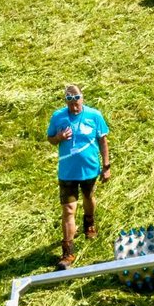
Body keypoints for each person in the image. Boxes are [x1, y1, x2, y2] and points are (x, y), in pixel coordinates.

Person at [46, 84, 111, 270]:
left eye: (77, 102)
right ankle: (68, 252)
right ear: (66, 101)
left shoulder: (94, 116)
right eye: (70, 103)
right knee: (68, 209)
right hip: (67, 172)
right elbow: (50, 138)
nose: (74, 107)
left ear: (82, 98)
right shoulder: (58, 117)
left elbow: (103, 141)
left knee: (88, 197)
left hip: (90, 169)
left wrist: (106, 166)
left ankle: (89, 222)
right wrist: (58, 137)